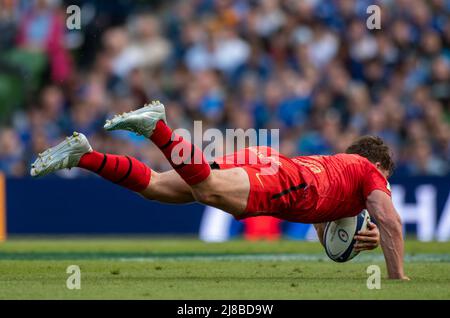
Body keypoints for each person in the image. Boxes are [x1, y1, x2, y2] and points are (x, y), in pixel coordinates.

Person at [31, 101, 408, 280]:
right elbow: (391, 219)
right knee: (207, 191)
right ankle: (157, 128)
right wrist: (396, 276)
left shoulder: (342, 172)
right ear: (377, 166)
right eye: (386, 177)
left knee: (159, 187)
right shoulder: (366, 172)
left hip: (269, 161)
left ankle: (83, 156)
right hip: (287, 182)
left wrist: (361, 236)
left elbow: (324, 227)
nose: (385, 186)